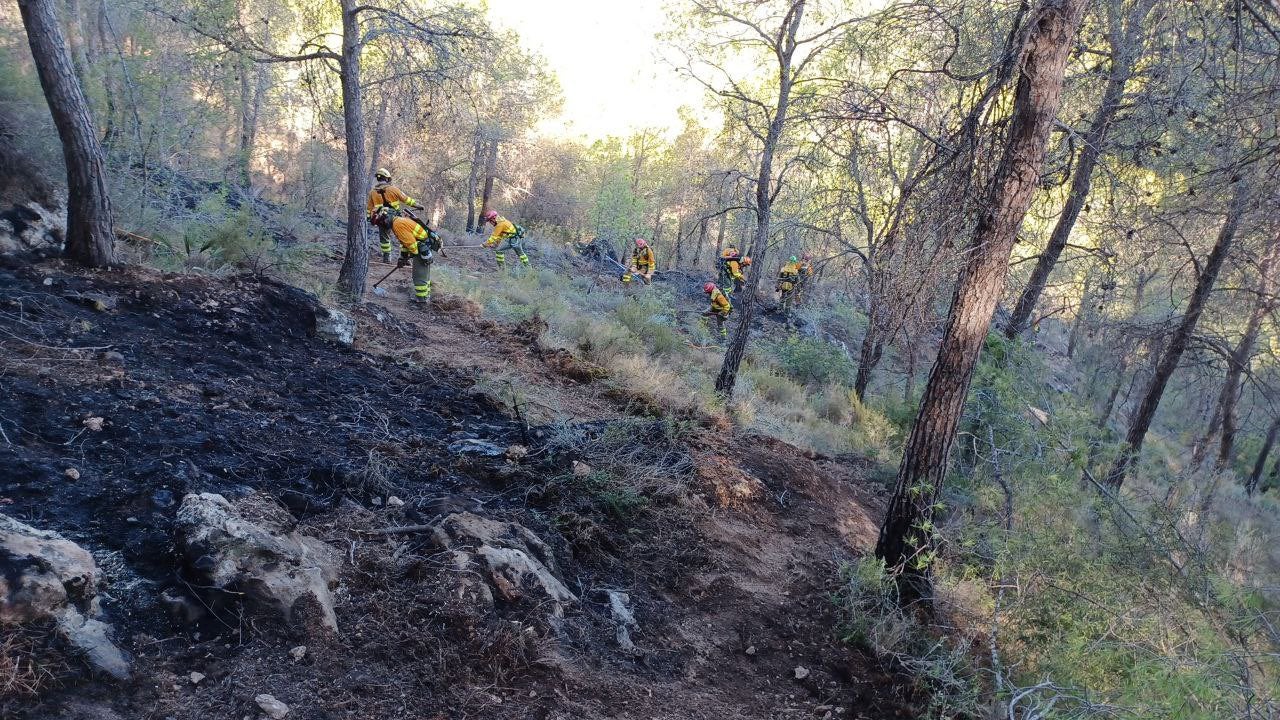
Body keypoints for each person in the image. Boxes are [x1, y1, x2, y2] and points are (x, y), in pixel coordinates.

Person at [371, 207, 440, 306]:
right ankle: (424, 297)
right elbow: (405, 243)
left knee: (419, 277)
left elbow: (412, 246)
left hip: (421, 250)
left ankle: (422, 302)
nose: (383, 226)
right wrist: (402, 258)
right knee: (423, 276)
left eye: (382, 223)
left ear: (385, 219)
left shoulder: (397, 225)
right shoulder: (398, 222)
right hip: (421, 247)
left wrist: (409, 256)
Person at [367, 168, 423, 263]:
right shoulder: (393, 189)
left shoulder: (372, 192)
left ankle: (386, 258)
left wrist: (369, 218)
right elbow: (406, 200)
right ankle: (404, 258)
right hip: (395, 218)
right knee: (403, 236)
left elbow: (369, 208)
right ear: (387, 179)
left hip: (381, 219)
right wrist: (419, 206)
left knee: (384, 239)